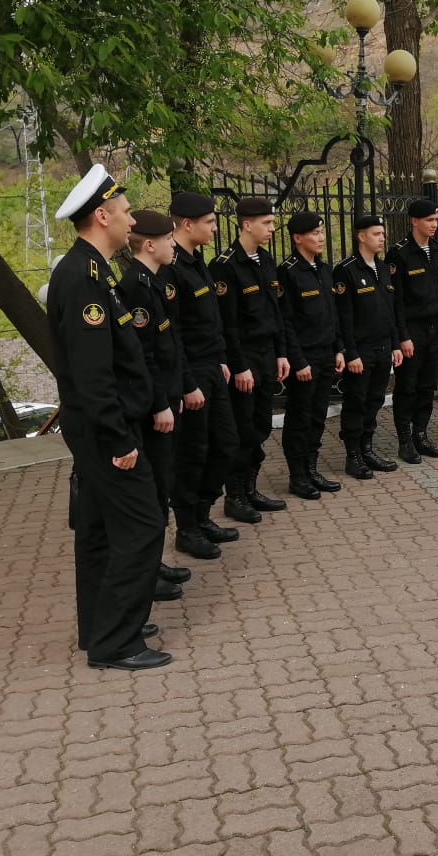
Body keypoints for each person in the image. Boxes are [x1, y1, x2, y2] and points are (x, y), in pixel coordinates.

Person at [47, 164, 168, 671]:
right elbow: (92, 375)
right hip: (105, 430)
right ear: (102, 216)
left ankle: (101, 625)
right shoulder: (81, 278)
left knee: (98, 530)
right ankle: (117, 642)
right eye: (123, 213)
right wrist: (119, 439)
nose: (130, 222)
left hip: (107, 424)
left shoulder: (97, 271)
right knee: (143, 525)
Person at [116, 209, 193, 599]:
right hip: (154, 406)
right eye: (167, 240)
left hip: (169, 396)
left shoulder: (153, 282)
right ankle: (149, 571)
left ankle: (156, 562)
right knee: (154, 490)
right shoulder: (136, 287)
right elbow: (142, 356)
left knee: (163, 484)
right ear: (149, 244)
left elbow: (168, 345)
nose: (173, 246)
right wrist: (161, 403)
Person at [210, 197, 294, 520]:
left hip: (267, 354)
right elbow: (227, 324)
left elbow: (277, 313)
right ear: (246, 224)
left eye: (272, 223)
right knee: (242, 428)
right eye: (267, 223)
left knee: (260, 426)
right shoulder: (225, 266)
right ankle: (235, 496)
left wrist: (282, 353)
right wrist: (239, 364)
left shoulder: (266, 261)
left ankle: (251, 488)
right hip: (244, 357)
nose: (273, 228)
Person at [168, 192, 240, 558]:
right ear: (187, 224)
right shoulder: (172, 268)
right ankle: (187, 527)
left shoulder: (198, 262)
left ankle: (202, 513)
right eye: (210, 222)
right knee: (193, 453)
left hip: (212, 366)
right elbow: (174, 334)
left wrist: (222, 358)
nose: (215, 228)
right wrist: (186, 383)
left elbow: (212, 320)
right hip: (192, 373)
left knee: (225, 445)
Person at [277, 211, 345, 499]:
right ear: (297, 238)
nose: (321, 237)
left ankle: (312, 468)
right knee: (299, 417)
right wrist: (298, 360)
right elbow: (286, 322)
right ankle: (298, 475)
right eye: (315, 233)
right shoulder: (288, 272)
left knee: (318, 415)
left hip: (326, 355)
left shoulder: (324, 270)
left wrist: (339, 348)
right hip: (304, 359)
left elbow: (333, 315)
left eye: (321, 232)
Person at [333, 213, 404, 478]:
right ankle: (353, 455)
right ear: (361, 236)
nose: (382, 238)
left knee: (374, 400)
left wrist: (396, 343)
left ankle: (367, 448)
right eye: (377, 234)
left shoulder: (384, 268)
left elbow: (392, 310)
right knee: (356, 402)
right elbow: (344, 317)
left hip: (383, 348)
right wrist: (350, 352)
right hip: (360, 351)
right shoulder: (346, 270)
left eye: (383, 234)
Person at [387, 198, 438, 464]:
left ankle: (421, 434)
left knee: (428, 384)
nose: (433, 225)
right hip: (412, 330)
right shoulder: (399, 254)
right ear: (414, 221)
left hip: (436, 329)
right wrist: (403, 336)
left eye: (436, 220)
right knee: (408, 386)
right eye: (429, 220)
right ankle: (404, 440)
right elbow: (397, 301)